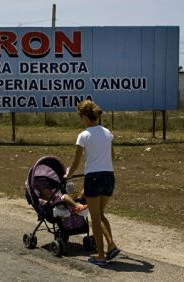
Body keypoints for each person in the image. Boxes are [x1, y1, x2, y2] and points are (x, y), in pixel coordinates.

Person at [64, 100, 120, 266]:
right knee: (100, 214)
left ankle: (101, 256)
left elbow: (76, 162)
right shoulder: (107, 132)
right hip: (109, 176)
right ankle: (111, 245)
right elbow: (112, 156)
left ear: (84, 117)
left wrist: (68, 175)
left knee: (94, 218)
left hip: (94, 178)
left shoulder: (84, 135)